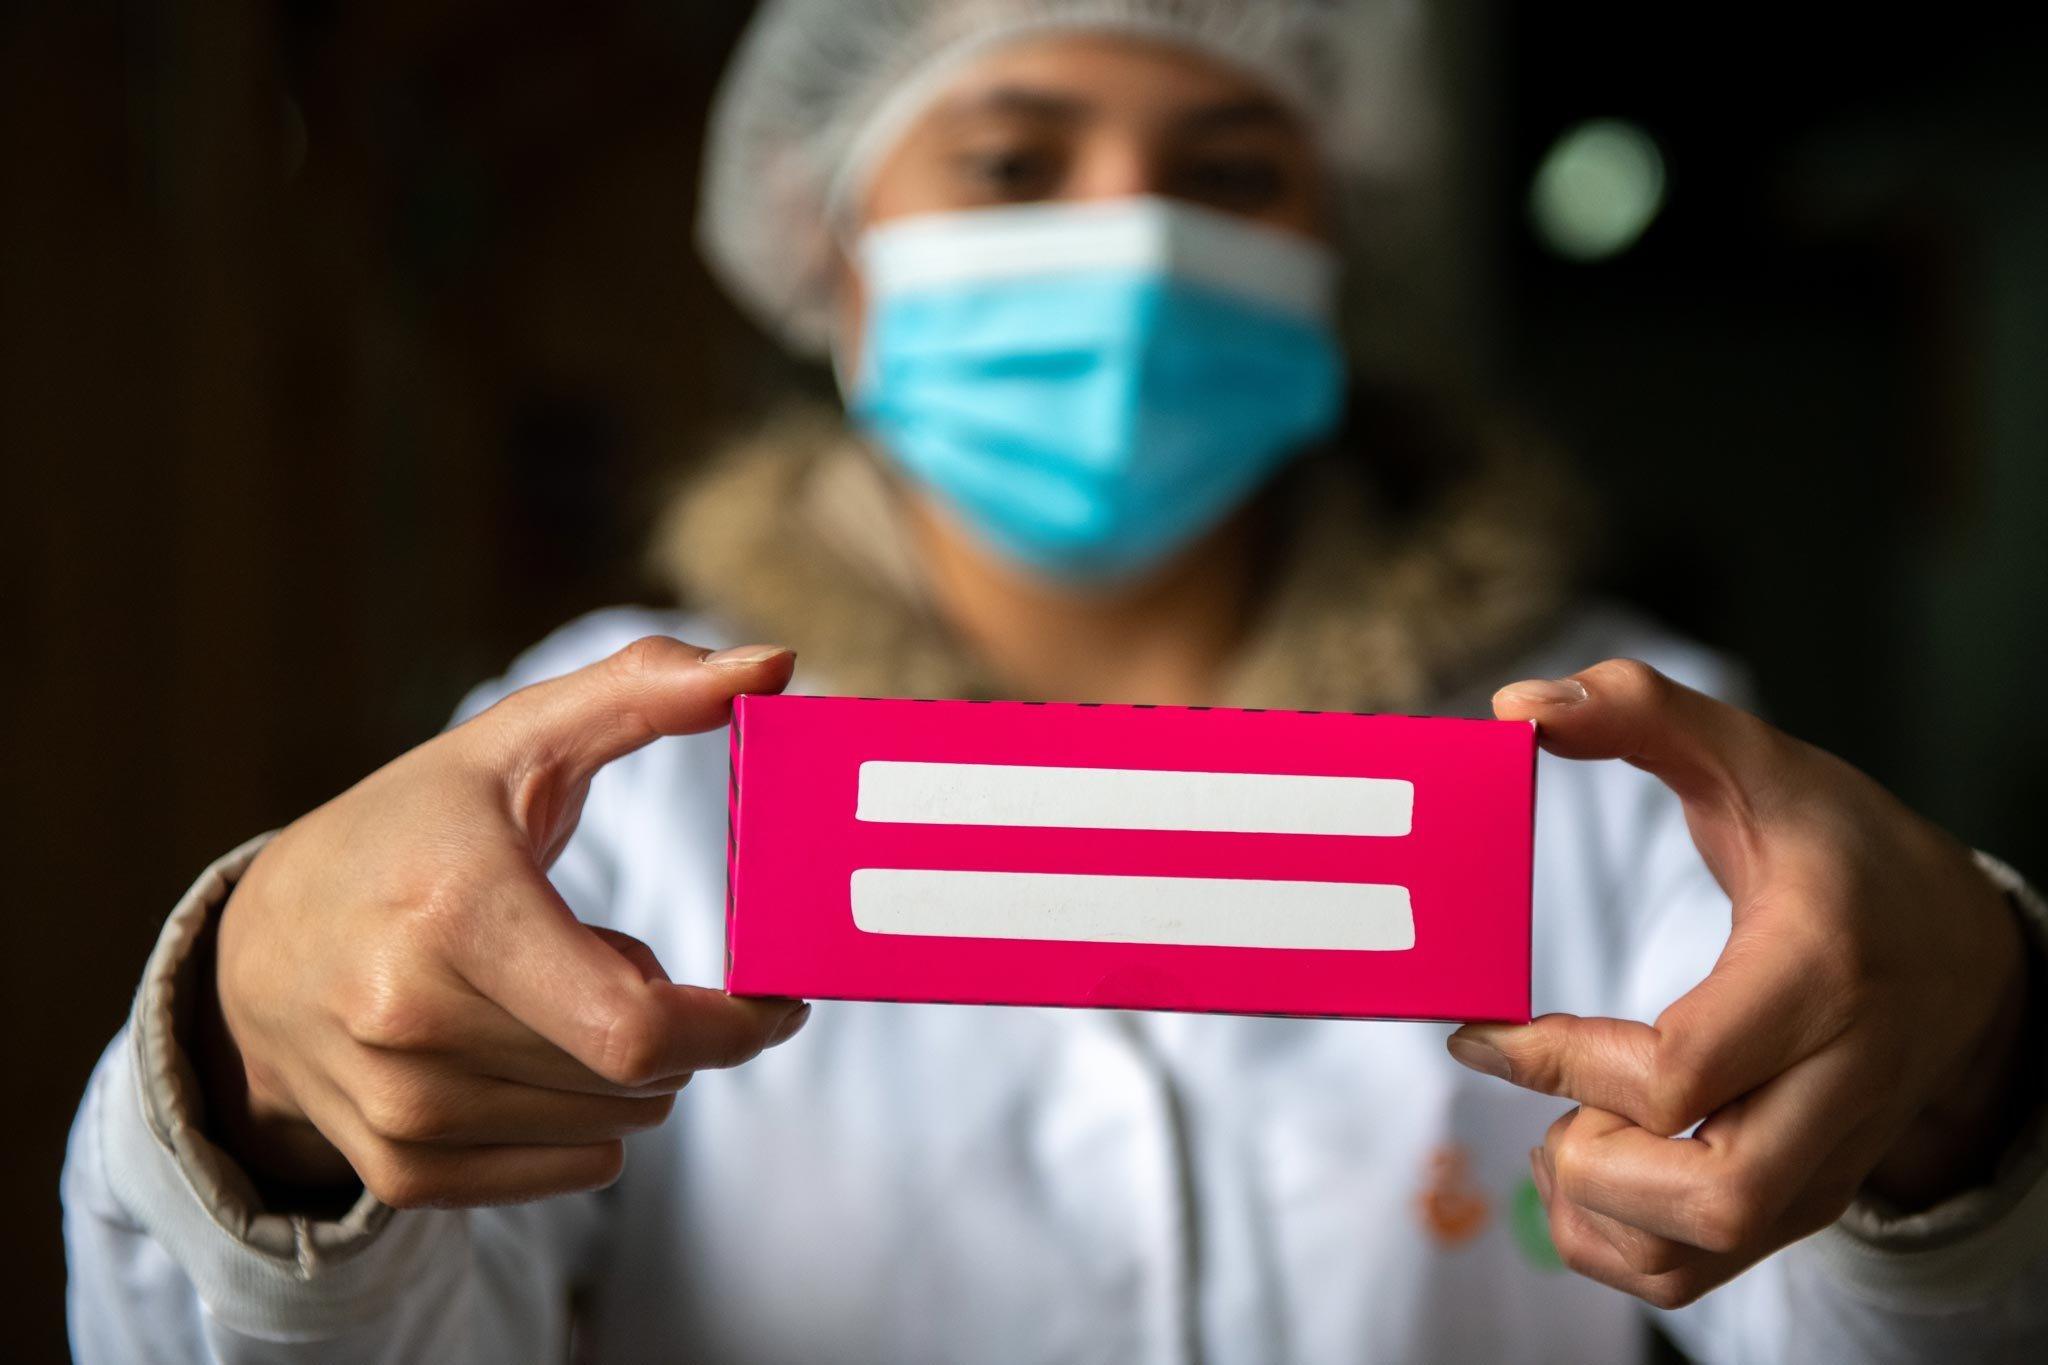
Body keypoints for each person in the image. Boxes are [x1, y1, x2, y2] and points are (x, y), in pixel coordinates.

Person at [62, 2, 2048, 1361]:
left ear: (1335, 259)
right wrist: (256, 1080)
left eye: (1230, 171)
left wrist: (1972, 1090)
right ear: (834, 272)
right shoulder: (610, 778)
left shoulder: (1628, 767)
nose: (1133, 234)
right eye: (1014, 163)